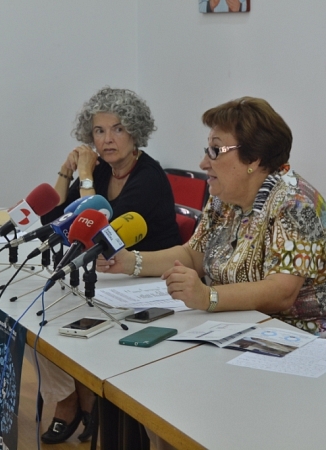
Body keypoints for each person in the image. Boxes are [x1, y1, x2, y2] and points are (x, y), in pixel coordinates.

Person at [97, 96, 326, 449]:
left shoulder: (296, 203)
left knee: (182, 405)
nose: (204, 162)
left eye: (216, 151)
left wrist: (209, 297)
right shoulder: (223, 197)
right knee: (158, 397)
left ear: (253, 158)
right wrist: (132, 262)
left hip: (295, 349)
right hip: (236, 332)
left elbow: (282, 292)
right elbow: (193, 254)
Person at [30, 86, 181, 444]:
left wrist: (84, 176)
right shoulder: (101, 172)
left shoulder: (149, 178)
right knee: (39, 312)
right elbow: (51, 221)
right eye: (99, 131)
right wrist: (66, 172)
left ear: (135, 133)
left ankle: (92, 401)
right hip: (106, 279)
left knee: (60, 312)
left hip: (149, 285)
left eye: (117, 129)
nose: (107, 139)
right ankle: (71, 397)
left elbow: (102, 233)